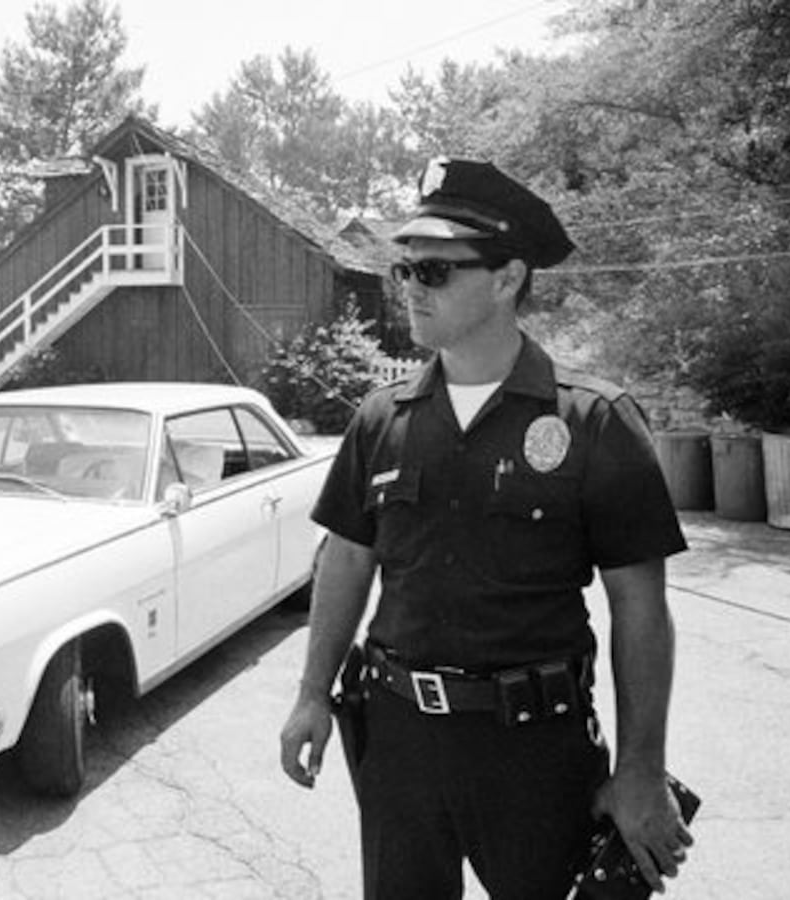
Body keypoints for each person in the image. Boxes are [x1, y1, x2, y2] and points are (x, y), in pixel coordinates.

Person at [278, 157, 695, 899]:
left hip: (534, 750)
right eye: (404, 270)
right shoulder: (383, 418)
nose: (409, 287)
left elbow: (640, 605)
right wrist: (312, 692)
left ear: (506, 279)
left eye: (434, 271)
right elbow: (347, 558)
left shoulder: (592, 420)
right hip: (399, 738)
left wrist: (639, 768)